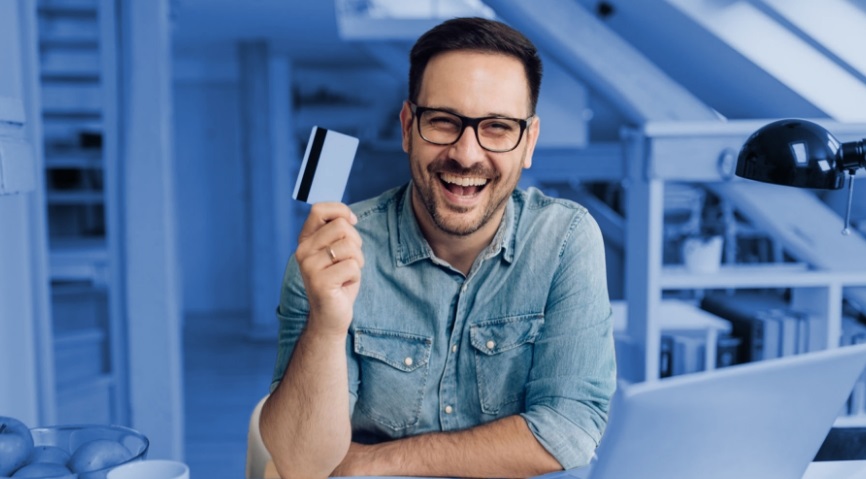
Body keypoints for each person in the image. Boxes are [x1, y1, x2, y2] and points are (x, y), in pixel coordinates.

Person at [260, 16, 616, 479]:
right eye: (443, 122)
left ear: (528, 142)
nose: (466, 154)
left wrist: (381, 460)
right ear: (408, 127)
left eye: (497, 127)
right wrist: (327, 324)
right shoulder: (331, 255)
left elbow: (568, 429)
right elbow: (301, 464)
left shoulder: (566, 240)